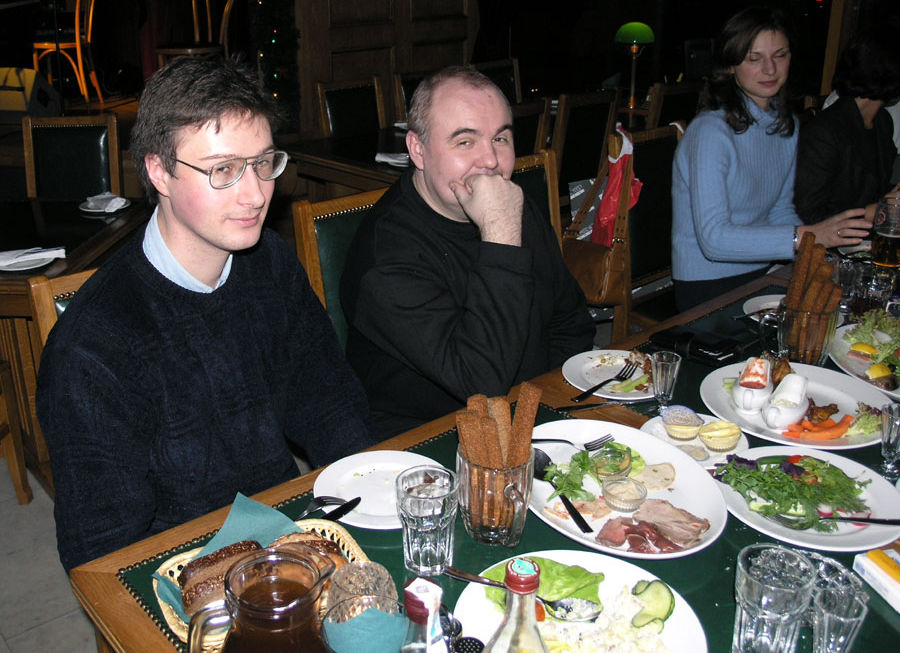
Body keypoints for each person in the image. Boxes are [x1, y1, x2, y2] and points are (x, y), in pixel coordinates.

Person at [37, 56, 373, 572]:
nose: (255, 193)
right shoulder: (93, 347)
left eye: (263, 163)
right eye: (224, 170)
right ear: (159, 171)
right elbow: (103, 554)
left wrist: (372, 495)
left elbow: (326, 400)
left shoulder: (269, 263)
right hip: (186, 576)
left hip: (292, 538)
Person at [340, 66, 594, 439]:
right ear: (418, 150)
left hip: (530, 416)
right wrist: (500, 232)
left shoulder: (511, 205)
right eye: (465, 141)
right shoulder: (386, 259)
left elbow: (571, 321)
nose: (490, 161)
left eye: (501, 138)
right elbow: (482, 382)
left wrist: (545, 409)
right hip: (429, 442)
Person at [671, 6, 872, 311]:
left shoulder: (784, 125)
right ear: (730, 66)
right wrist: (809, 236)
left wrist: (817, 249)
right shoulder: (710, 131)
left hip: (762, 272)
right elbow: (713, 240)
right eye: (754, 59)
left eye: (780, 55)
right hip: (706, 284)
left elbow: (780, 210)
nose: (770, 69)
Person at [794, 30, 900, 223]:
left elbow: (873, 190)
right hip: (826, 238)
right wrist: (871, 212)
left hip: (861, 236)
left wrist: (891, 199)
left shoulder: (882, 122)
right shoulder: (825, 132)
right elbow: (807, 214)